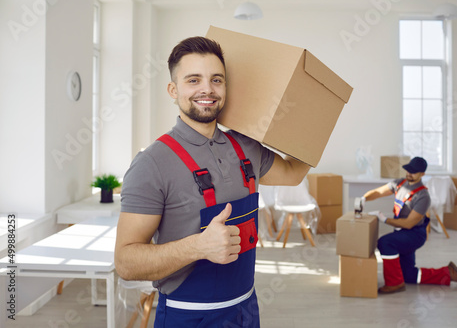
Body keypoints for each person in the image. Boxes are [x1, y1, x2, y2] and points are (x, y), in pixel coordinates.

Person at [114, 36, 310, 327]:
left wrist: (313, 119)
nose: (207, 89)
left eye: (216, 80)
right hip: (189, 316)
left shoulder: (246, 147)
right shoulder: (152, 163)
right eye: (193, 80)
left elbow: (293, 173)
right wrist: (198, 247)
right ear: (173, 89)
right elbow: (126, 263)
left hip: (246, 310)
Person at [361, 157, 457, 294]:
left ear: (422, 174)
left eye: (413, 172)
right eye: (408, 170)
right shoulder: (399, 183)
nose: (409, 173)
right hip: (400, 233)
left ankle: (395, 283)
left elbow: (409, 223)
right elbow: (378, 192)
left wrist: (384, 219)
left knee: (385, 243)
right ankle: (448, 273)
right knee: (408, 275)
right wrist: (363, 198)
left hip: (414, 235)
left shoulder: (423, 196)